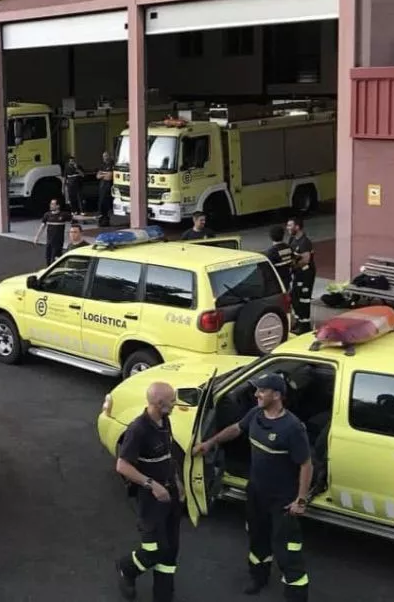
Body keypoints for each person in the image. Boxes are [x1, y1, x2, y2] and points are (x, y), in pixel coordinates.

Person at [193, 374, 312, 601]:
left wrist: (301, 499)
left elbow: (306, 464)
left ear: (276, 395)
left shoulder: (292, 428)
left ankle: (296, 594)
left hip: (282, 501)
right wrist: (210, 443)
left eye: (262, 391)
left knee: (287, 551)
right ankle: (258, 577)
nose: (256, 394)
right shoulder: (256, 413)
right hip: (256, 493)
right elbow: (236, 429)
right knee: (257, 539)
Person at [115, 382, 184, 602]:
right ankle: (126, 568)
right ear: (159, 403)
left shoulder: (165, 420)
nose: (175, 404)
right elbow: (122, 466)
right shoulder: (138, 429)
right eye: (172, 400)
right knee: (154, 549)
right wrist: (152, 485)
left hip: (170, 494)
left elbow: (167, 455)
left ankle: (163, 596)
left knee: (170, 548)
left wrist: (177, 481)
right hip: (151, 499)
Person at [286, 217, 315, 335]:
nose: (287, 228)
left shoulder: (305, 242)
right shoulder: (292, 239)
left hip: (306, 275)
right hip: (297, 274)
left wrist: (293, 266)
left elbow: (305, 260)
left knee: (304, 300)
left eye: (290, 225)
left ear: (297, 227)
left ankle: (305, 326)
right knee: (294, 297)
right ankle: (299, 321)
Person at [35, 198, 72, 265]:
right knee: (48, 260)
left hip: (58, 243)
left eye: (52, 204)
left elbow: (75, 217)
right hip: (49, 242)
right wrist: (37, 237)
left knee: (55, 261)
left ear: (58, 206)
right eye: (51, 204)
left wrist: (90, 218)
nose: (51, 205)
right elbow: (42, 226)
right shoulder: (47, 215)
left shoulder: (63, 215)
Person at [97, 151, 115, 227]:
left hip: (108, 187)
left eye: (106, 156)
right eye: (103, 156)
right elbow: (98, 176)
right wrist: (105, 174)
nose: (104, 158)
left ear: (109, 156)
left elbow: (110, 177)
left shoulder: (112, 164)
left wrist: (103, 174)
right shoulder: (102, 165)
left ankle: (106, 220)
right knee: (101, 204)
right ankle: (101, 220)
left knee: (107, 204)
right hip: (102, 187)